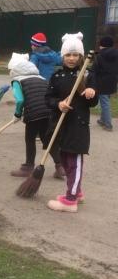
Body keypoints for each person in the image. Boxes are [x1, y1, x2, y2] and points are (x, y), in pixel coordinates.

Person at [45, 32, 97, 213]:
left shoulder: (86, 76)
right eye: (68, 54)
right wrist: (58, 104)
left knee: (75, 162)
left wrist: (91, 92)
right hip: (61, 125)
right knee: (65, 161)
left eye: (75, 55)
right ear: (62, 56)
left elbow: (93, 102)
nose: (72, 58)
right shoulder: (57, 76)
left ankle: (70, 201)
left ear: (82, 56)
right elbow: (48, 99)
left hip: (78, 126)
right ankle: (77, 192)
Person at [7, 53, 65, 179]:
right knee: (47, 139)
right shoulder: (41, 78)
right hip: (48, 111)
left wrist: (17, 115)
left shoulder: (17, 80)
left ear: (14, 69)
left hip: (33, 113)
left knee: (30, 139)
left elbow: (20, 100)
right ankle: (60, 166)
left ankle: (28, 167)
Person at [90, 36, 118, 131]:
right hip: (113, 81)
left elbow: (94, 70)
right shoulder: (116, 54)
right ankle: (103, 119)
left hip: (102, 82)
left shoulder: (99, 56)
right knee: (105, 101)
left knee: (104, 103)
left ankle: (108, 124)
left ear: (102, 45)